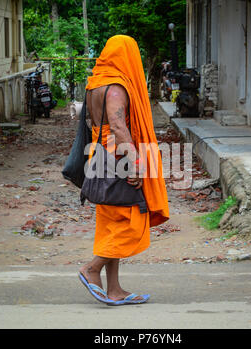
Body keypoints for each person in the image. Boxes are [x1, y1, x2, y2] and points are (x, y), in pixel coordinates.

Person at [79, 35, 169, 306]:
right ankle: (91, 269)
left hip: (99, 156)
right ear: (126, 56)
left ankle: (114, 289)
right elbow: (118, 128)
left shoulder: (94, 84)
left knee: (111, 225)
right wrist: (136, 164)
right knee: (131, 223)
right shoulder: (116, 88)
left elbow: (92, 122)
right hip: (116, 159)